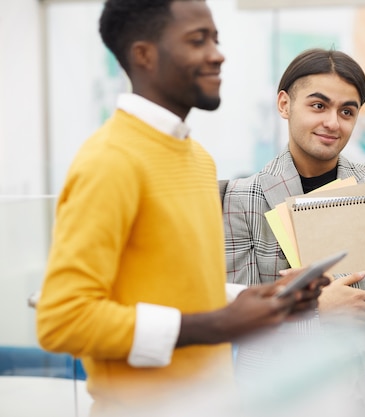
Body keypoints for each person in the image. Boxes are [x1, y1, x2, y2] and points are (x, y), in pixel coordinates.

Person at [35, 1, 328, 415]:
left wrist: (257, 300)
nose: (218, 53)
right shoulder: (110, 160)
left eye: (216, 39)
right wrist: (217, 326)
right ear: (144, 55)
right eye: (197, 40)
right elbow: (62, 319)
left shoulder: (196, 158)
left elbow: (176, 286)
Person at [222, 48, 365, 416]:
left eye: (347, 111)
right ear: (284, 104)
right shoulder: (242, 198)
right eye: (318, 106)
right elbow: (238, 314)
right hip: (288, 393)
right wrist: (315, 309)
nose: (332, 123)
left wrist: (345, 288)